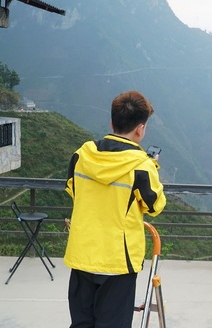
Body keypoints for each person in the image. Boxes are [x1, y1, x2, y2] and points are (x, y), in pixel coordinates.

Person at [64, 90, 166, 327]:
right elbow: (155, 206)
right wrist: (154, 168)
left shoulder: (81, 156)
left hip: (82, 254)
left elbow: (75, 192)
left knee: (81, 323)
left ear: (112, 122)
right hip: (118, 261)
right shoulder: (142, 166)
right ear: (140, 129)